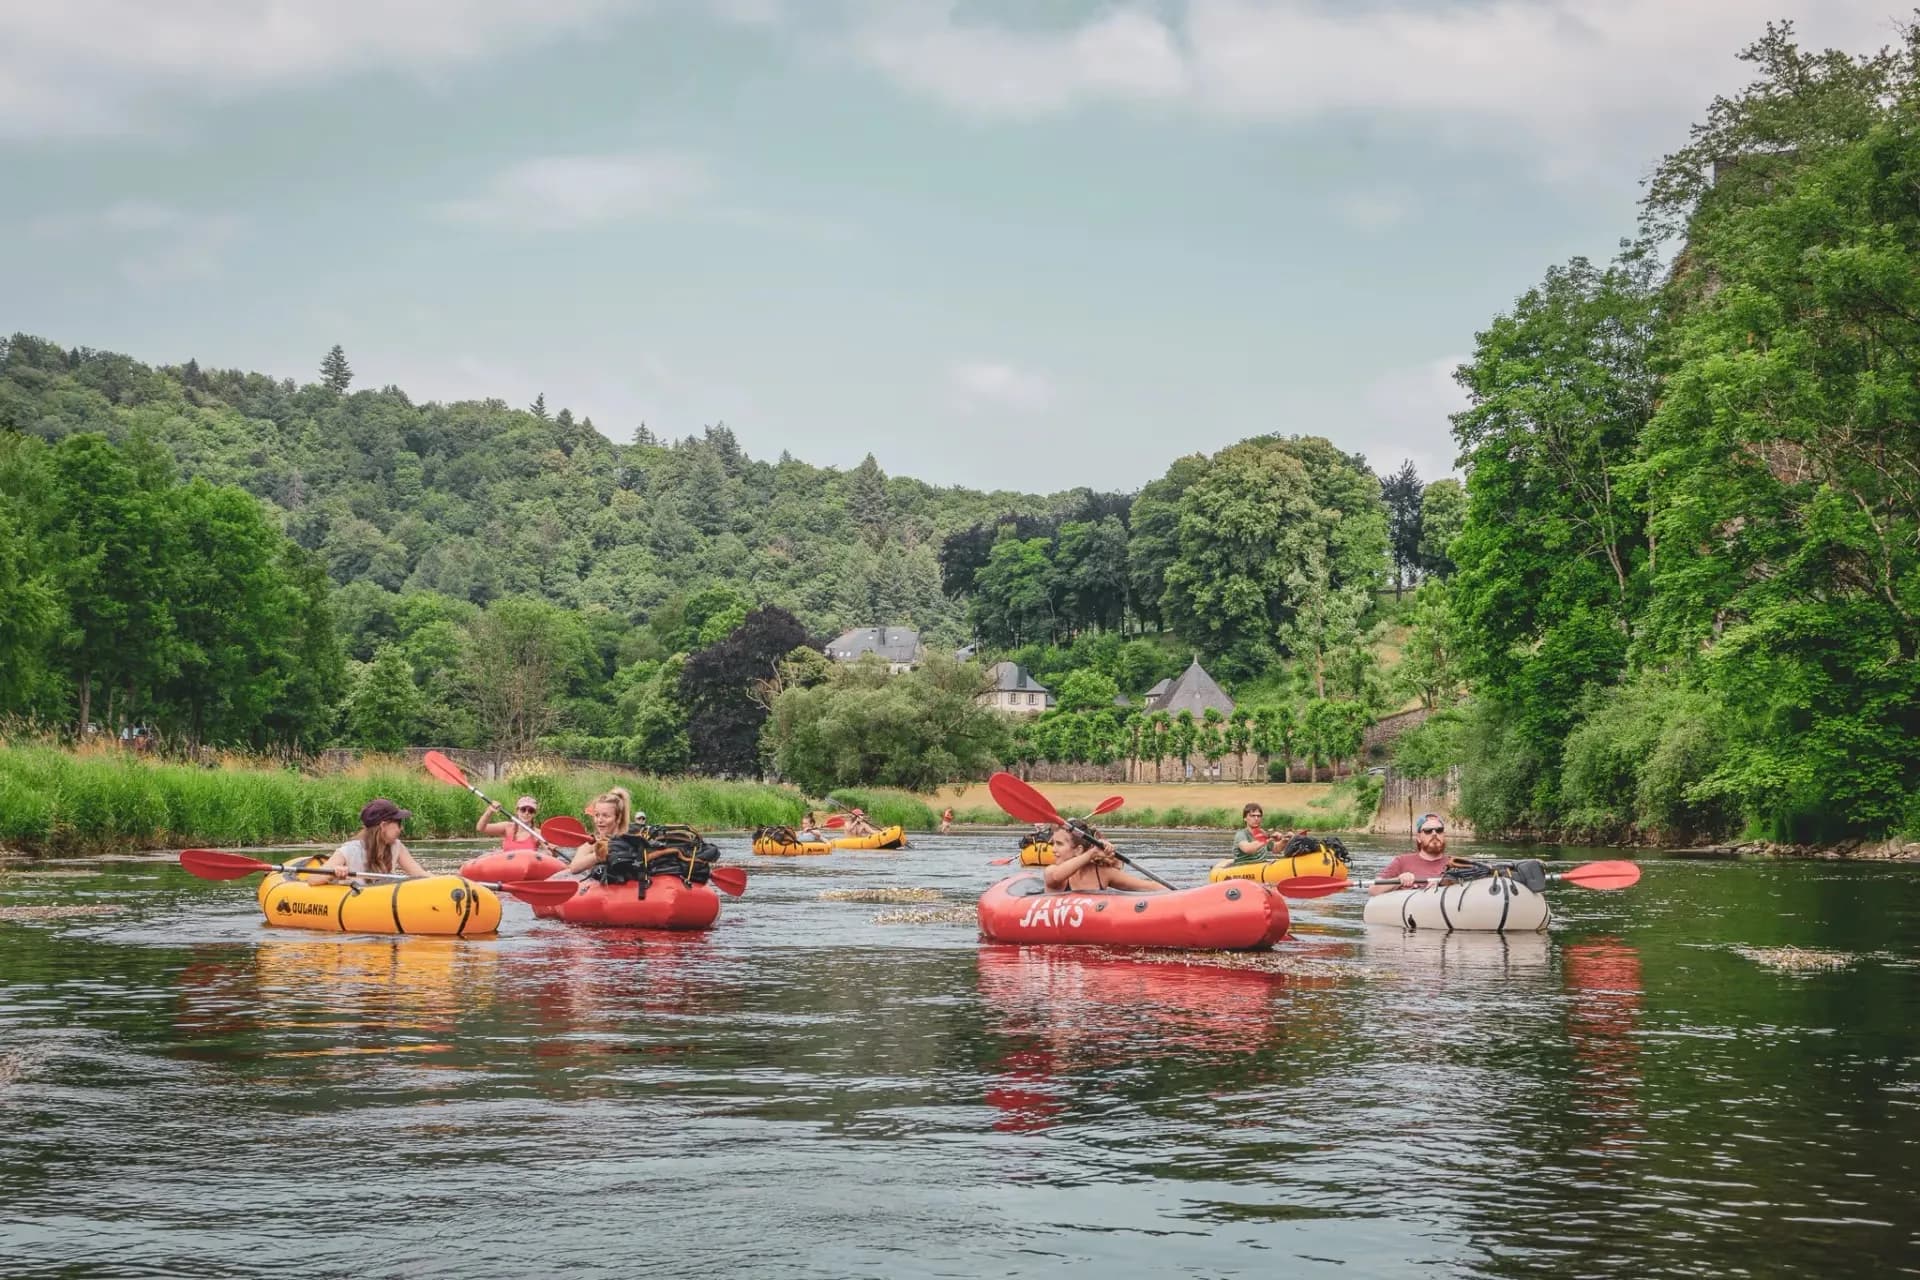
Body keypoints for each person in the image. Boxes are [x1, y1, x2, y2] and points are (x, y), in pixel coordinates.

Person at [320, 798, 430, 881]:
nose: (401, 828)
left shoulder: (397, 846)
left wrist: (445, 881)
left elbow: (420, 874)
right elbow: (313, 878)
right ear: (383, 826)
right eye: (398, 823)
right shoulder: (350, 850)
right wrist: (335, 871)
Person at [1042, 820, 1162, 893]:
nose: (1053, 849)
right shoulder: (1052, 871)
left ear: (1078, 850)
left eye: (1059, 844)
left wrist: (1179, 895)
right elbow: (1056, 877)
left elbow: (1147, 886)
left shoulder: (1101, 873)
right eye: (1054, 844)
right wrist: (1092, 853)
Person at [557, 787, 633, 881]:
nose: (599, 820)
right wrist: (598, 856)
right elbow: (574, 868)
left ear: (618, 818)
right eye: (597, 815)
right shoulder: (591, 843)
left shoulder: (629, 840)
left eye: (605, 816)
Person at [1371, 812, 1452, 895]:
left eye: (1439, 830)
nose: (1434, 834)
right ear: (1419, 838)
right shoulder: (1402, 862)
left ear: (1444, 835)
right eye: (1428, 831)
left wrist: (1442, 885)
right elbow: (1373, 890)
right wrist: (1398, 880)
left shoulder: (1456, 864)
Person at [477, 794, 541, 851]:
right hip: (507, 862)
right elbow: (480, 828)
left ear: (534, 814)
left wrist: (550, 849)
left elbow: (549, 851)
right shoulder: (507, 827)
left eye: (531, 811)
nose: (526, 813)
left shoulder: (538, 833)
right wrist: (489, 811)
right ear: (517, 811)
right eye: (523, 809)